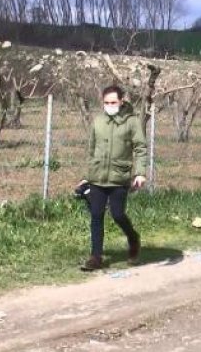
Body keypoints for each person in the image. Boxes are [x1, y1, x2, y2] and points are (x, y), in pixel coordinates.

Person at [77, 85, 147, 271]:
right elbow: (91, 150)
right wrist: (87, 176)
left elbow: (140, 148)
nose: (109, 105)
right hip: (97, 177)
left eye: (113, 102)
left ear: (121, 101)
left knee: (117, 214)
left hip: (119, 177)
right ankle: (95, 257)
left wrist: (140, 172)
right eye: (106, 102)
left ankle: (133, 239)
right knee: (96, 215)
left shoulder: (131, 122)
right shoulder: (98, 121)